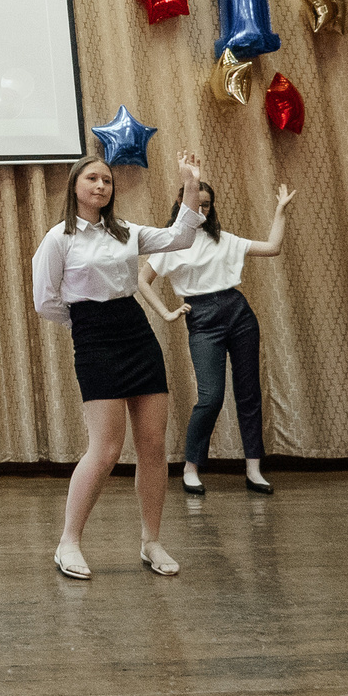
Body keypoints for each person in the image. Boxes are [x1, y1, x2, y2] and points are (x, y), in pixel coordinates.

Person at [31, 152, 205, 580]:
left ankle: (151, 541)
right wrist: (86, 325)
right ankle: (68, 542)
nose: (101, 186)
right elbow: (46, 301)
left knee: (152, 446)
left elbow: (180, 237)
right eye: (92, 178)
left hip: (136, 333)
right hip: (93, 337)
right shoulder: (58, 239)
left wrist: (190, 183)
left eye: (107, 180)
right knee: (106, 449)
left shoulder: (126, 231)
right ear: (75, 186)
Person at [146, 181, 294, 495]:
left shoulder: (221, 238)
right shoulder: (170, 242)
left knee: (249, 393)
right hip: (201, 317)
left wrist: (280, 211)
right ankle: (191, 466)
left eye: (206, 205)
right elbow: (141, 281)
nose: (200, 211)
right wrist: (167, 312)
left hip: (237, 311)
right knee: (211, 397)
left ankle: (253, 467)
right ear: (180, 201)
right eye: (195, 203)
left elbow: (272, 247)